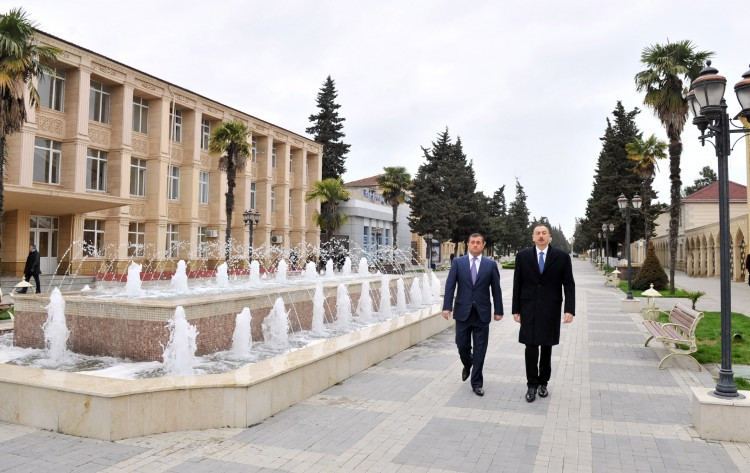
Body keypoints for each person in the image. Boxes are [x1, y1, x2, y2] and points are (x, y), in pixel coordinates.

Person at [512, 223, 575, 403]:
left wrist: (569, 309)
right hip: (528, 308)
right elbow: (518, 283)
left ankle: (543, 383)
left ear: (549, 237)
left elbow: (569, 284)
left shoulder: (561, 257)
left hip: (551, 309)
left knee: (546, 347)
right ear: (533, 237)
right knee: (530, 347)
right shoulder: (523, 256)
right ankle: (531, 385)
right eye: (537, 233)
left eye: (544, 233)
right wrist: (516, 309)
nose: (541, 236)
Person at [442, 233, 503, 396]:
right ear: (468, 245)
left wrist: (498, 310)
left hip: (482, 314)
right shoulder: (458, 263)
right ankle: (467, 363)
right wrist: (446, 306)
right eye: (472, 242)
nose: (475, 245)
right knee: (461, 345)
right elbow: (450, 286)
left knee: (480, 349)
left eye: (478, 243)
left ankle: (476, 382)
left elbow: (496, 289)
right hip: (462, 312)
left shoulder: (490, 265)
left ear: (483, 245)